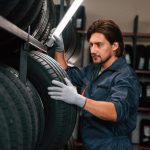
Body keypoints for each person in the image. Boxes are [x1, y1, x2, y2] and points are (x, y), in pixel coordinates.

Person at [47, 19, 140, 150]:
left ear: (114, 46)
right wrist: (59, 49)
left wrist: (79, 100)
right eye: (91, 45)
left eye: (99, 45)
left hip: (112, 146)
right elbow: (65, 73)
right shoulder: (93, 70)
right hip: (90, 144)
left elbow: (115, 112)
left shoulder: (125, 76)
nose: (93, 50)